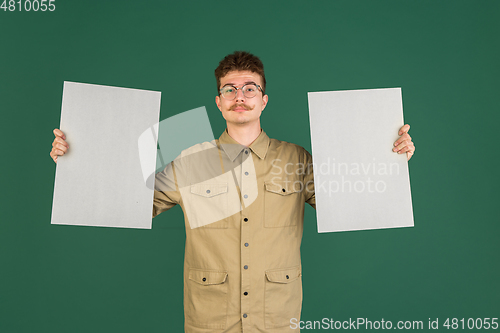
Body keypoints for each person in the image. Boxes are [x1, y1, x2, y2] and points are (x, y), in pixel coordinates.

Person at [49, 51, 415, 332]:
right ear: (219, 101)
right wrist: (75, 161)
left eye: (250, 88)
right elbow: (125, 202)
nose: (240, 96)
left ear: (264, 99)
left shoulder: (296, 159)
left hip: (277, 319)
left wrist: (392, 156)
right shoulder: (190, 160)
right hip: (210, 321)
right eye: (230, 89)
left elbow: (353, 200)